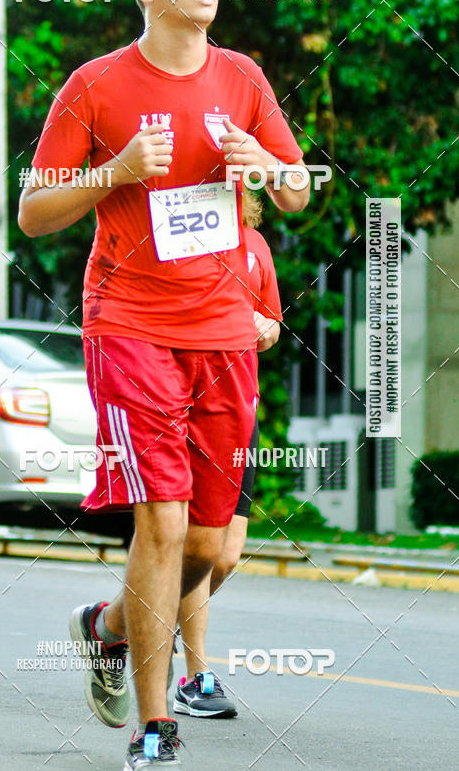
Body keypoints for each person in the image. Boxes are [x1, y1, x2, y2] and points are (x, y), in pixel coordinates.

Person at [18, 0, 308, 770]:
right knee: (163, 519)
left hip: (222, 330)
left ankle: (105, 627)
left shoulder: (243, 77)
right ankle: (155, 724)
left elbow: (294, 193)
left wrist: (264, 160)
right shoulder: (95, 85)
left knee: (215, 547)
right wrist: (114, 174)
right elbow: (36, 209)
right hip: (130, 323)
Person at [174, 191, 282, 719]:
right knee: (198, 544)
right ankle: (196, 678)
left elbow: (272, 322)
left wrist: (267, 329)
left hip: (241, 414)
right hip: (186, 411)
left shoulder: (257, 246)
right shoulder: (183, 237)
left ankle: (147, 616)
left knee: (225, 554)